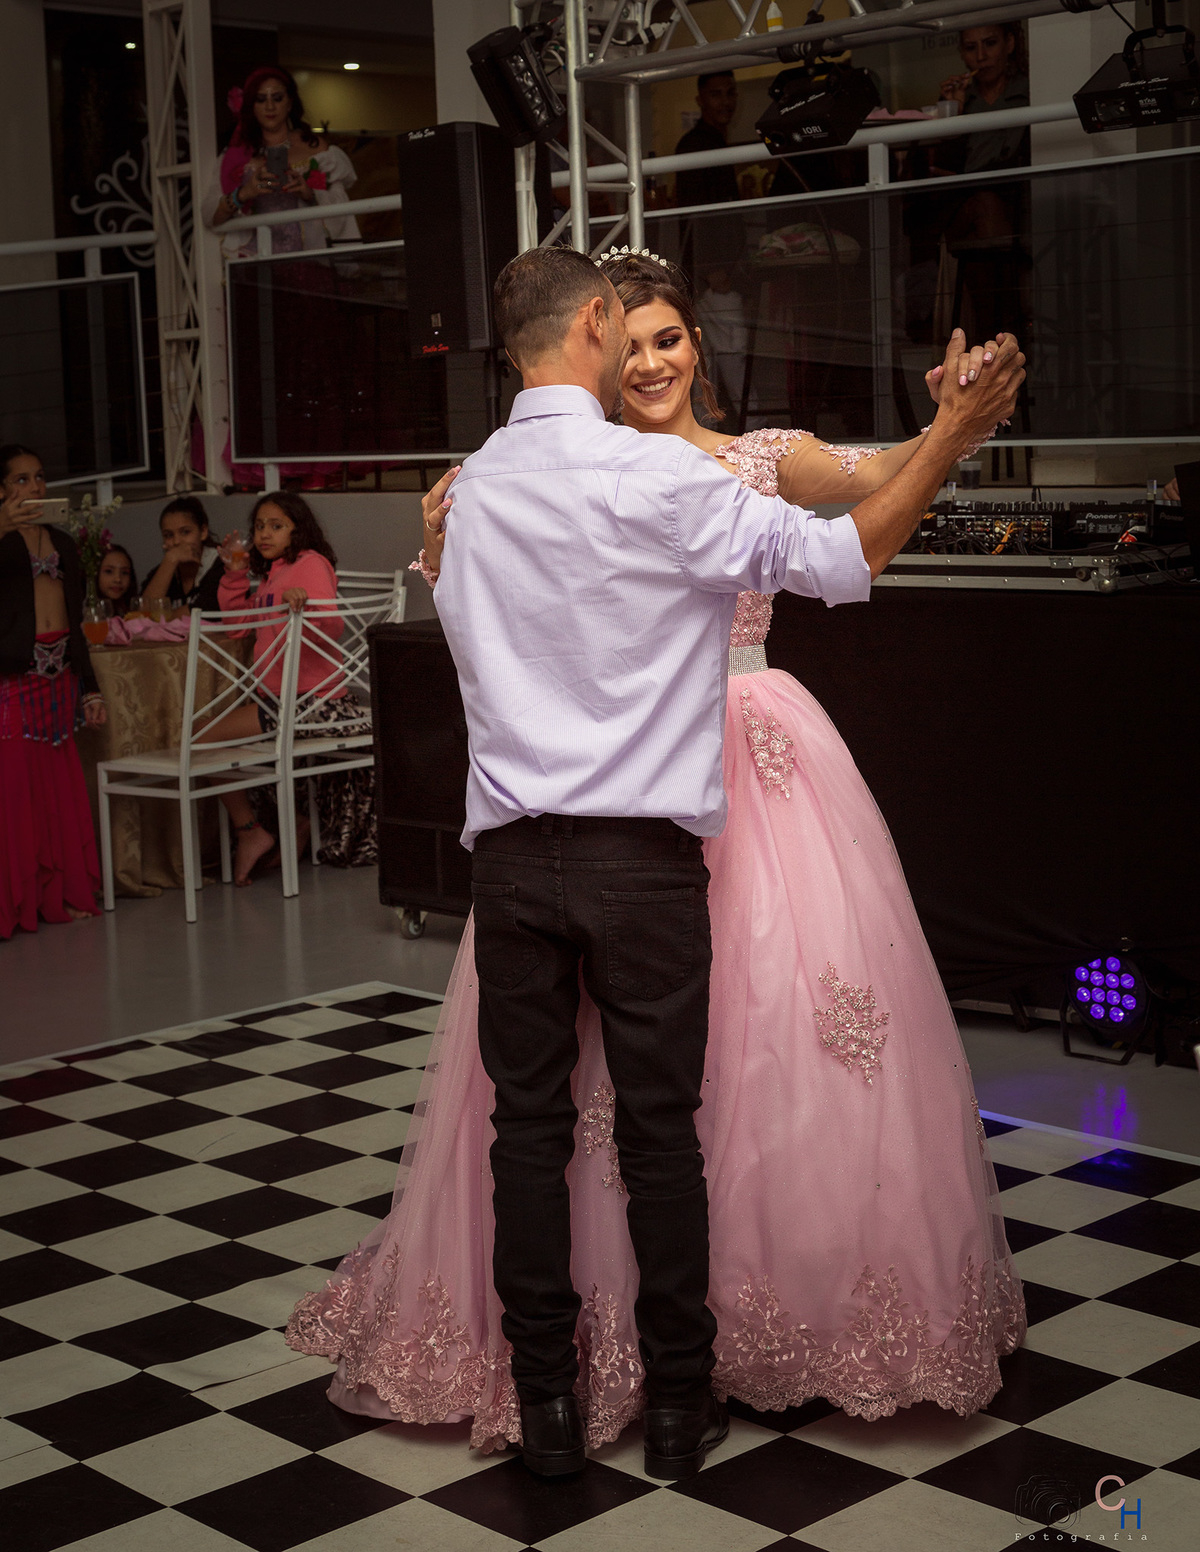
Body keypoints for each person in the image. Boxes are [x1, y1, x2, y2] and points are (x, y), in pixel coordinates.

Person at [286, 246, 1025, 1478]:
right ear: (591, 327)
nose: (643, 352)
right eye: (623, 329)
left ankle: (548, 1410)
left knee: (526, 1136)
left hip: (514, 862)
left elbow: (469, 633)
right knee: (661, 1136)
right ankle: (681, 1409)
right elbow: (844, 563)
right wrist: (950, 440)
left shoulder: (464, 494)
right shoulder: (650, 477)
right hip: (642, 855)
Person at [206, 492, 373, 883]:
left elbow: (332, 627)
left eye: (276, 525)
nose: (264, 533)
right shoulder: (273, 573)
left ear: (298, 530)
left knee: (204, 740)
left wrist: (306, 605)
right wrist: (232, 575)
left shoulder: (310, 564)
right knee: (210, 740)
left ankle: (251, 832)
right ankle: (287, 824)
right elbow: (237, 627)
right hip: (281, 700)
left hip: (310, 703)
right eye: (260, 526)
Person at [0, 445, 105, 938]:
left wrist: (91, 688)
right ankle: (15, 906)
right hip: (13, 678)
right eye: (20, 480)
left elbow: (79, 624)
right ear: (1, 490)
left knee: (59, 791)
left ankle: (60, 896)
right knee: (16, 792)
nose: (34, 488)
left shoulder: (62, 543)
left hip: (61, 674)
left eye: (38, 477)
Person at [209, 65, 359, 259]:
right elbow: (211, 217)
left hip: (310, 261)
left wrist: (309, 194)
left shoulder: (314, 148)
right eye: (261, 99)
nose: (270, 106)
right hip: (256, 265)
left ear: (289, 103)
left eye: (277, 98)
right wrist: (245, 193)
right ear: (252, 106)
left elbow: (341, 209)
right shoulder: (236, 156)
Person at [140, 497, 224, 614]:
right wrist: (170, 560)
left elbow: (205, 611)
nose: (176, 542)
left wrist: (163, 618)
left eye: (185, 532)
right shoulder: (163, 568)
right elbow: (142, 616)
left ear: (203, 532)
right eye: (168, 535)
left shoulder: (222, 565)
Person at [96, 545, 138, 615]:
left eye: (124, 573)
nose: (118, 579)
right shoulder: (84, 611)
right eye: (109, 571)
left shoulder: (131, 612)